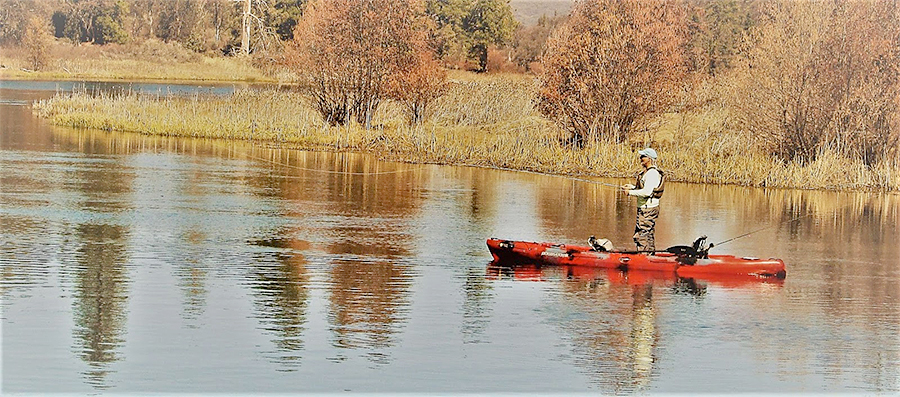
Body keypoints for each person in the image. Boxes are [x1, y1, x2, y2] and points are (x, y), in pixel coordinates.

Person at [621, 148, 663, 252]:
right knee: (648, 235)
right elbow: (645, 188)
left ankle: (643, 259)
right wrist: (631, 187)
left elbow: (647, 192)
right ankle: (650, 258)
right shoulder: (648, 173)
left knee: (641, 236)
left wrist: (630, 193)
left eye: (643, 156)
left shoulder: (652, 173)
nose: (641, 158)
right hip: (647, 208)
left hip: (647, 210)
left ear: (649, 158)